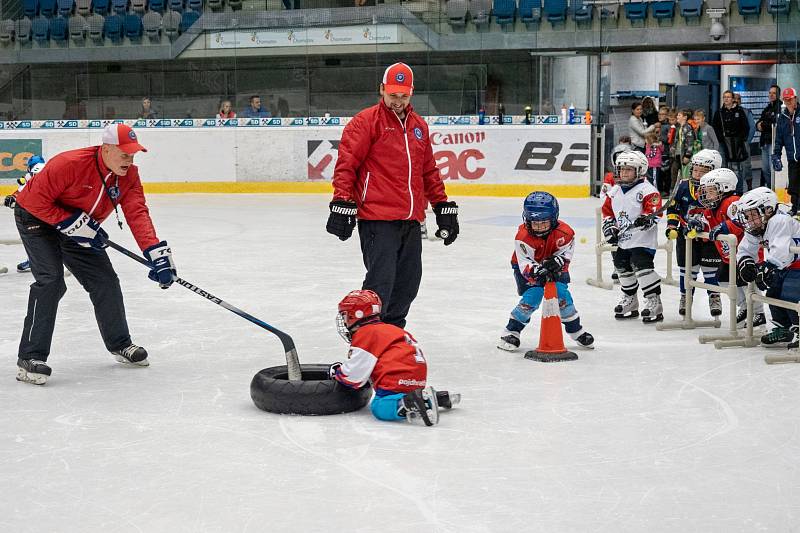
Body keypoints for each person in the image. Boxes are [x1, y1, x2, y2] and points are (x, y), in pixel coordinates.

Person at [11, 124, 177, 385]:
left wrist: (155, 253)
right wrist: (72, 223)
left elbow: (137, 213)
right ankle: (30, 357)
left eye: (133, 155)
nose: (130, 161)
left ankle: (119, 343)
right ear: (107, 149)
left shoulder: (129, 175)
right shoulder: (68, 164)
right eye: (125, 154)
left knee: (105, 281)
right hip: (36, 218)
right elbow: (32, 202)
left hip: (79, 224)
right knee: (51, 281)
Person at [326, 62, 459, 328]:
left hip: (410, 220)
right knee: (380, 285)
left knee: (408, 285)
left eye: (404, 96)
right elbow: (346, 165)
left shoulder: (418, 126)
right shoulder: (365, 122)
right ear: (382, 90)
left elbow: (428, 170)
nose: (398, 102)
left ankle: (392, 339)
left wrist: (443, 207)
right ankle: (366, 341)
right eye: (393, 95)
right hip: (377, 219)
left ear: (411, 93)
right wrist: (342, 201)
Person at [329, 289, 460, 426]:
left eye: (344, 315)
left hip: (396, 379)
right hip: (416, 381)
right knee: (400, 395)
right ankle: (432, 399)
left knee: (379, 407)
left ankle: (410, 402)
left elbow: (354, 377)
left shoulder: (366, 334)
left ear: (356, 315)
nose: (343, 322)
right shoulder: (391, 329)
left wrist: (337, 372)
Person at [497, 191, 594, 352]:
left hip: (554, 265)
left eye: (544, 222)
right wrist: (537, 271)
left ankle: (576, 330)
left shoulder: (566, 233)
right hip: (527, 268)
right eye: (535, 223)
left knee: (562, 294)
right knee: (533, 296)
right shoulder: (522, 237)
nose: (539, 227)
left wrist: (559, 262)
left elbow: (566, 254)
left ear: (553, 219)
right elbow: (524, 262)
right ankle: (511, 331)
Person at [688, 168, 765, 327]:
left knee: (746, 282)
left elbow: (742, 219)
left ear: (725, 188)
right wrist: (698, 225)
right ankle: (744, 307)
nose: (706, 195)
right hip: (728, 256)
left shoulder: (733, 202)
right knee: (723, 279)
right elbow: (707, 223)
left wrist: (726, 227)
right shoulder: (711, 208)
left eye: (711, 191)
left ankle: (758, 314)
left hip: (746, 255)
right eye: (705, 191)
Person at [602, 150, 664, 323]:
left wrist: (646, 219)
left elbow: (655, 212)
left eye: (628, 169)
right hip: (622, 240)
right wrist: (610, 227)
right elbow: (607, 212)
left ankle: (654, 301)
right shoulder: (614, 191)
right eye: (621, 169)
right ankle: (630, 300)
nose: (623, 173)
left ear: (640, 170)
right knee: (621, 267)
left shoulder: (647, 190)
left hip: (642, 240)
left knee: (642, 267)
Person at [736, 187, 800, 348]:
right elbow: (745, 249)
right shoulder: (759, 224)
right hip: (787, 265)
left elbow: (780, 250)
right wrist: (746, 262)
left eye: (752, 215)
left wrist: (768, 267)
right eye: (747, 215)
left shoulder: (779, 220)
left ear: (767, 209)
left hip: (795, 265)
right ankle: (784, 329)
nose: (749, 220)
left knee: (790, 295)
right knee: (773, 294)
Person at [665, 149, 723, 316]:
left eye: (702, 171)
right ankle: (685, 296)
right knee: (687, 269)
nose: (697, 174)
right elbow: (673, 207)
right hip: (686, 236)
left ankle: (714, 296)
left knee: (710, 270)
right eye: (695, 169)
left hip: (709, 237)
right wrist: (671, 226)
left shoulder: (717, 189)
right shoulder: (683, 185)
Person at [3, 155, 46, 273]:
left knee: (35, 237)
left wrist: (13, 198)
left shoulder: (32, 174)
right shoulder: (46, 171)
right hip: (49, 211)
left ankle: (35, 261)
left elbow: (23, 189)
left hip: (39, 212)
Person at [712, 90, 750, 194]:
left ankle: (738, 191)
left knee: (737, 168)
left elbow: (745, 127)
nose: (726, 99)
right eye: (724, 97)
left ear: (733, 99)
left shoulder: (739, 111)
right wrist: (721, 139)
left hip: (737, 143)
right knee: (724, 167)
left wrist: (741, 139)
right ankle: (726, 191)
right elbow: (715, 127)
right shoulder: (719, 112)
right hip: (724, 142)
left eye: (728, 97)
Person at [773, 87, 800, 214]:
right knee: (794, 185)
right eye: (785, 99)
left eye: (790, 99)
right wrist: (776, 156)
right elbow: (779, 140)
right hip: (792, 158)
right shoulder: (782, 118)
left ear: (795, 99)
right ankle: (795, 209)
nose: (788, 102)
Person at [756, 84, 782, 188]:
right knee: (765, 169)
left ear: (778, 95)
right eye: (770, 93)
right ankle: (770, 188)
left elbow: (775, 123)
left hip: (773, 142)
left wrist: (763, 124)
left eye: (774, 93)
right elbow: (758, 122)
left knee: (772, 169)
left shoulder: (780, 107)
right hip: (764, 142)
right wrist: (759, 124)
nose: (771, 95)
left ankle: (774, 190)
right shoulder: (767, 108)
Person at [734, 93, 756, 191]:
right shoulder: (727, 112)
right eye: (735, 99)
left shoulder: (746, 112)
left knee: (746, 166)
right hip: (731, 144)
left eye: (739, 99)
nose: (737, 100)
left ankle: (750, 188)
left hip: (743, 143)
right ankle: (736, 189)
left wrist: (747, 141)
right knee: (733, 167)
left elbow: (752, 127)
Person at [671, 109, 696, 188]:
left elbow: (690, 142)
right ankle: (674, 191)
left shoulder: (687, 127)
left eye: (679, 115)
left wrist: (687, 155)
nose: (677, 117)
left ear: (685, 117)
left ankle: (685, 189)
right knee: (674, 172)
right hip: (678, 154)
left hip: (684, 155)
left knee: (685, 174)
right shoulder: (679, 127)